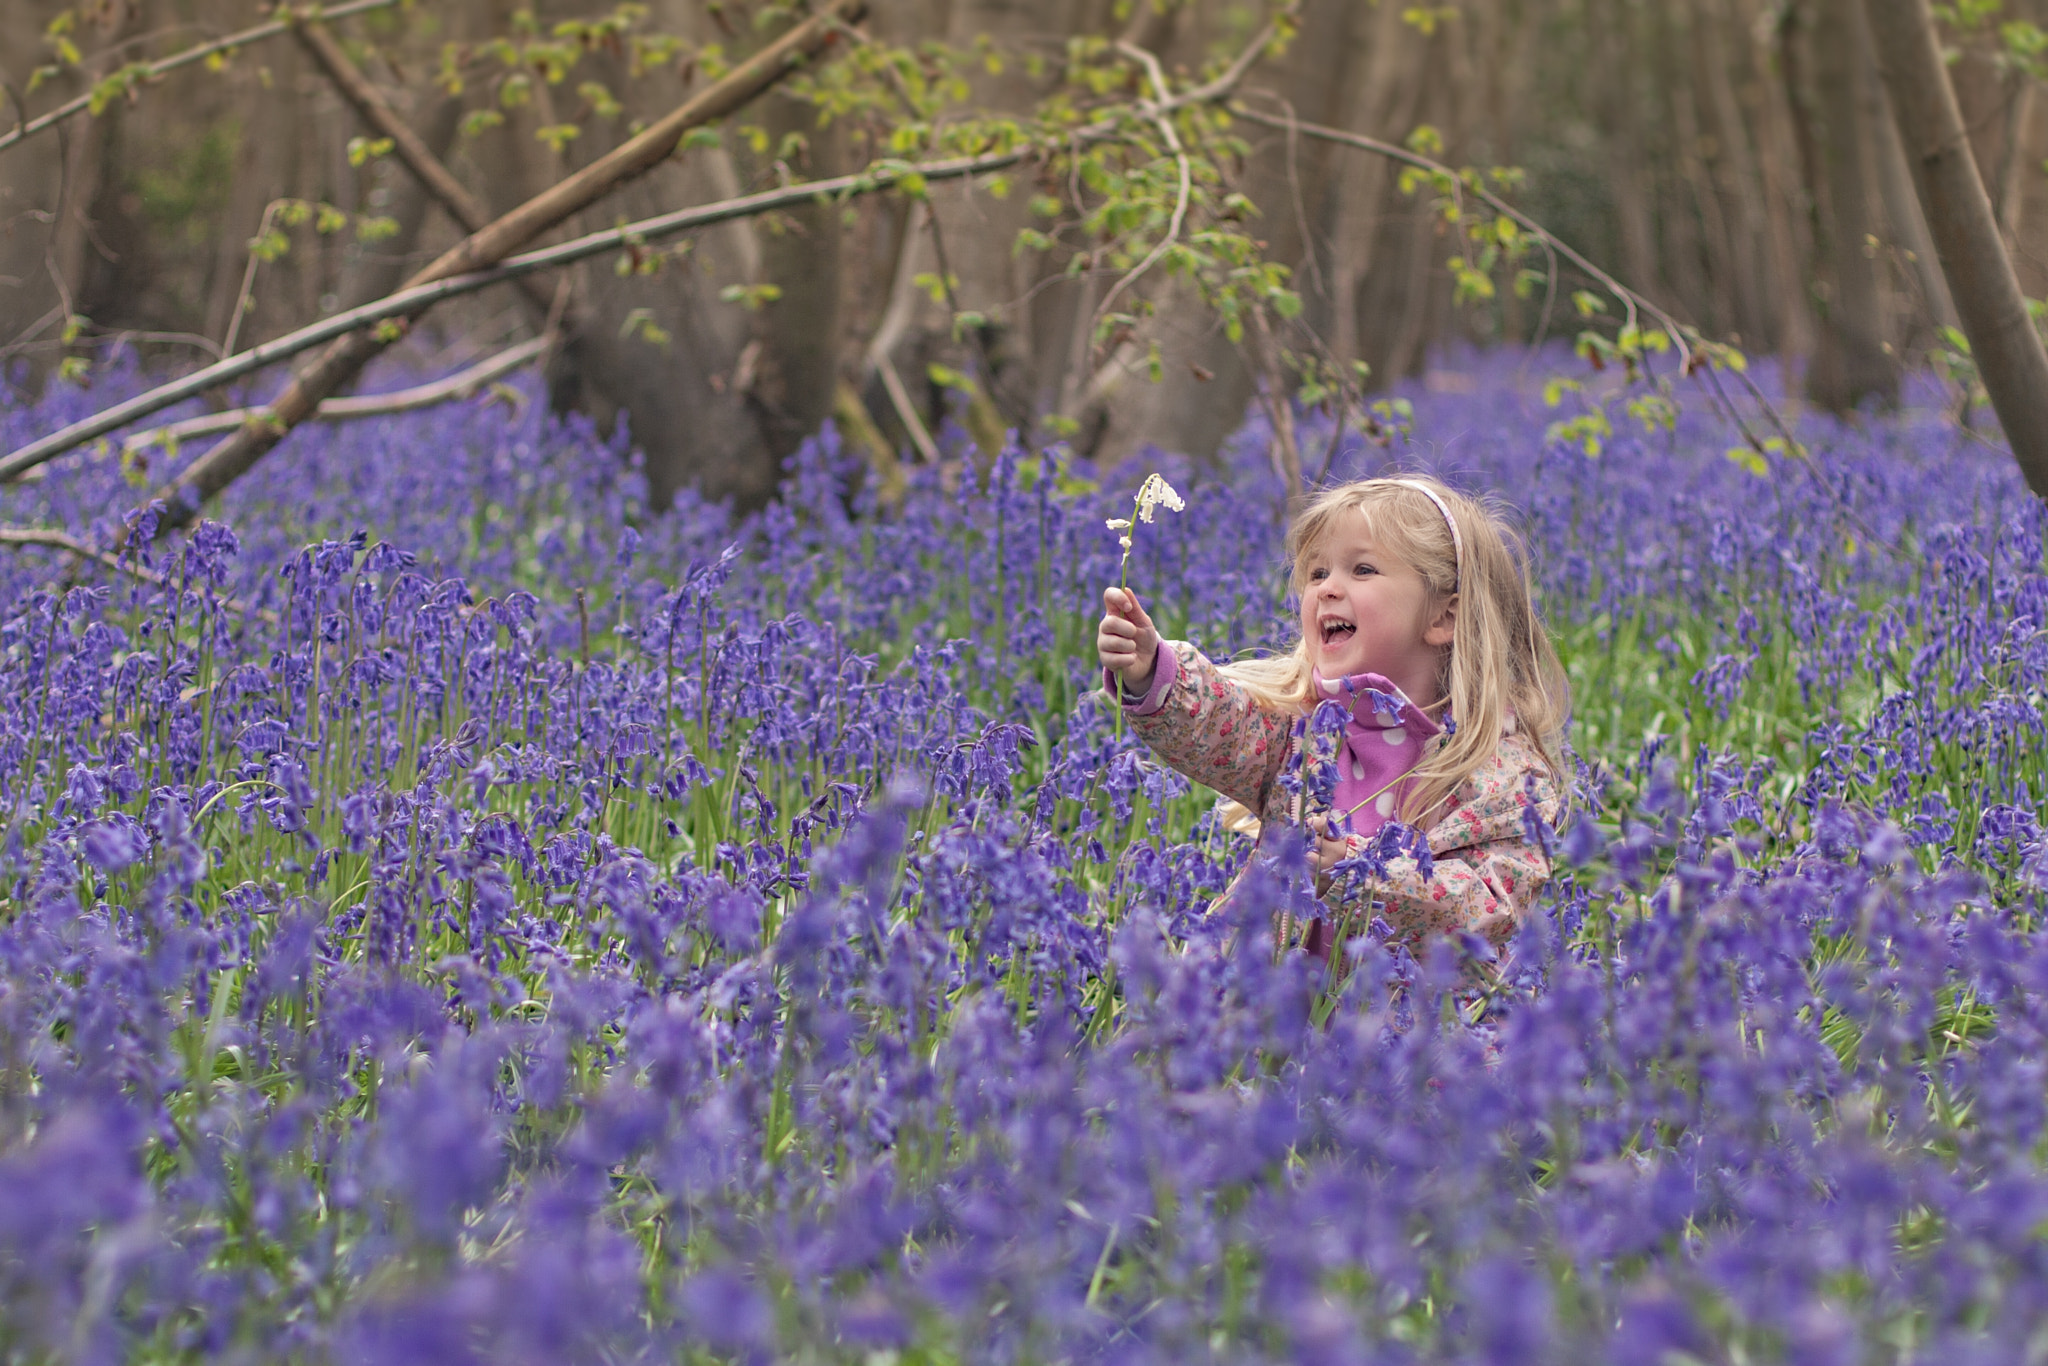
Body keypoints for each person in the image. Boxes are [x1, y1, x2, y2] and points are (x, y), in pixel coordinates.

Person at [1096, 475, 1569, 967]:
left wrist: (1361, 870)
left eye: (1362, 569)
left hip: (1413, 1026)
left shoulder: (1493, 764)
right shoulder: (1307, 731)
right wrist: (1152, 671)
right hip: (1273, 1011)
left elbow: (1492, 901)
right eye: (1317, 573)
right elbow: (1225, 728)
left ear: (1442, 619)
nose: (1326, 589)